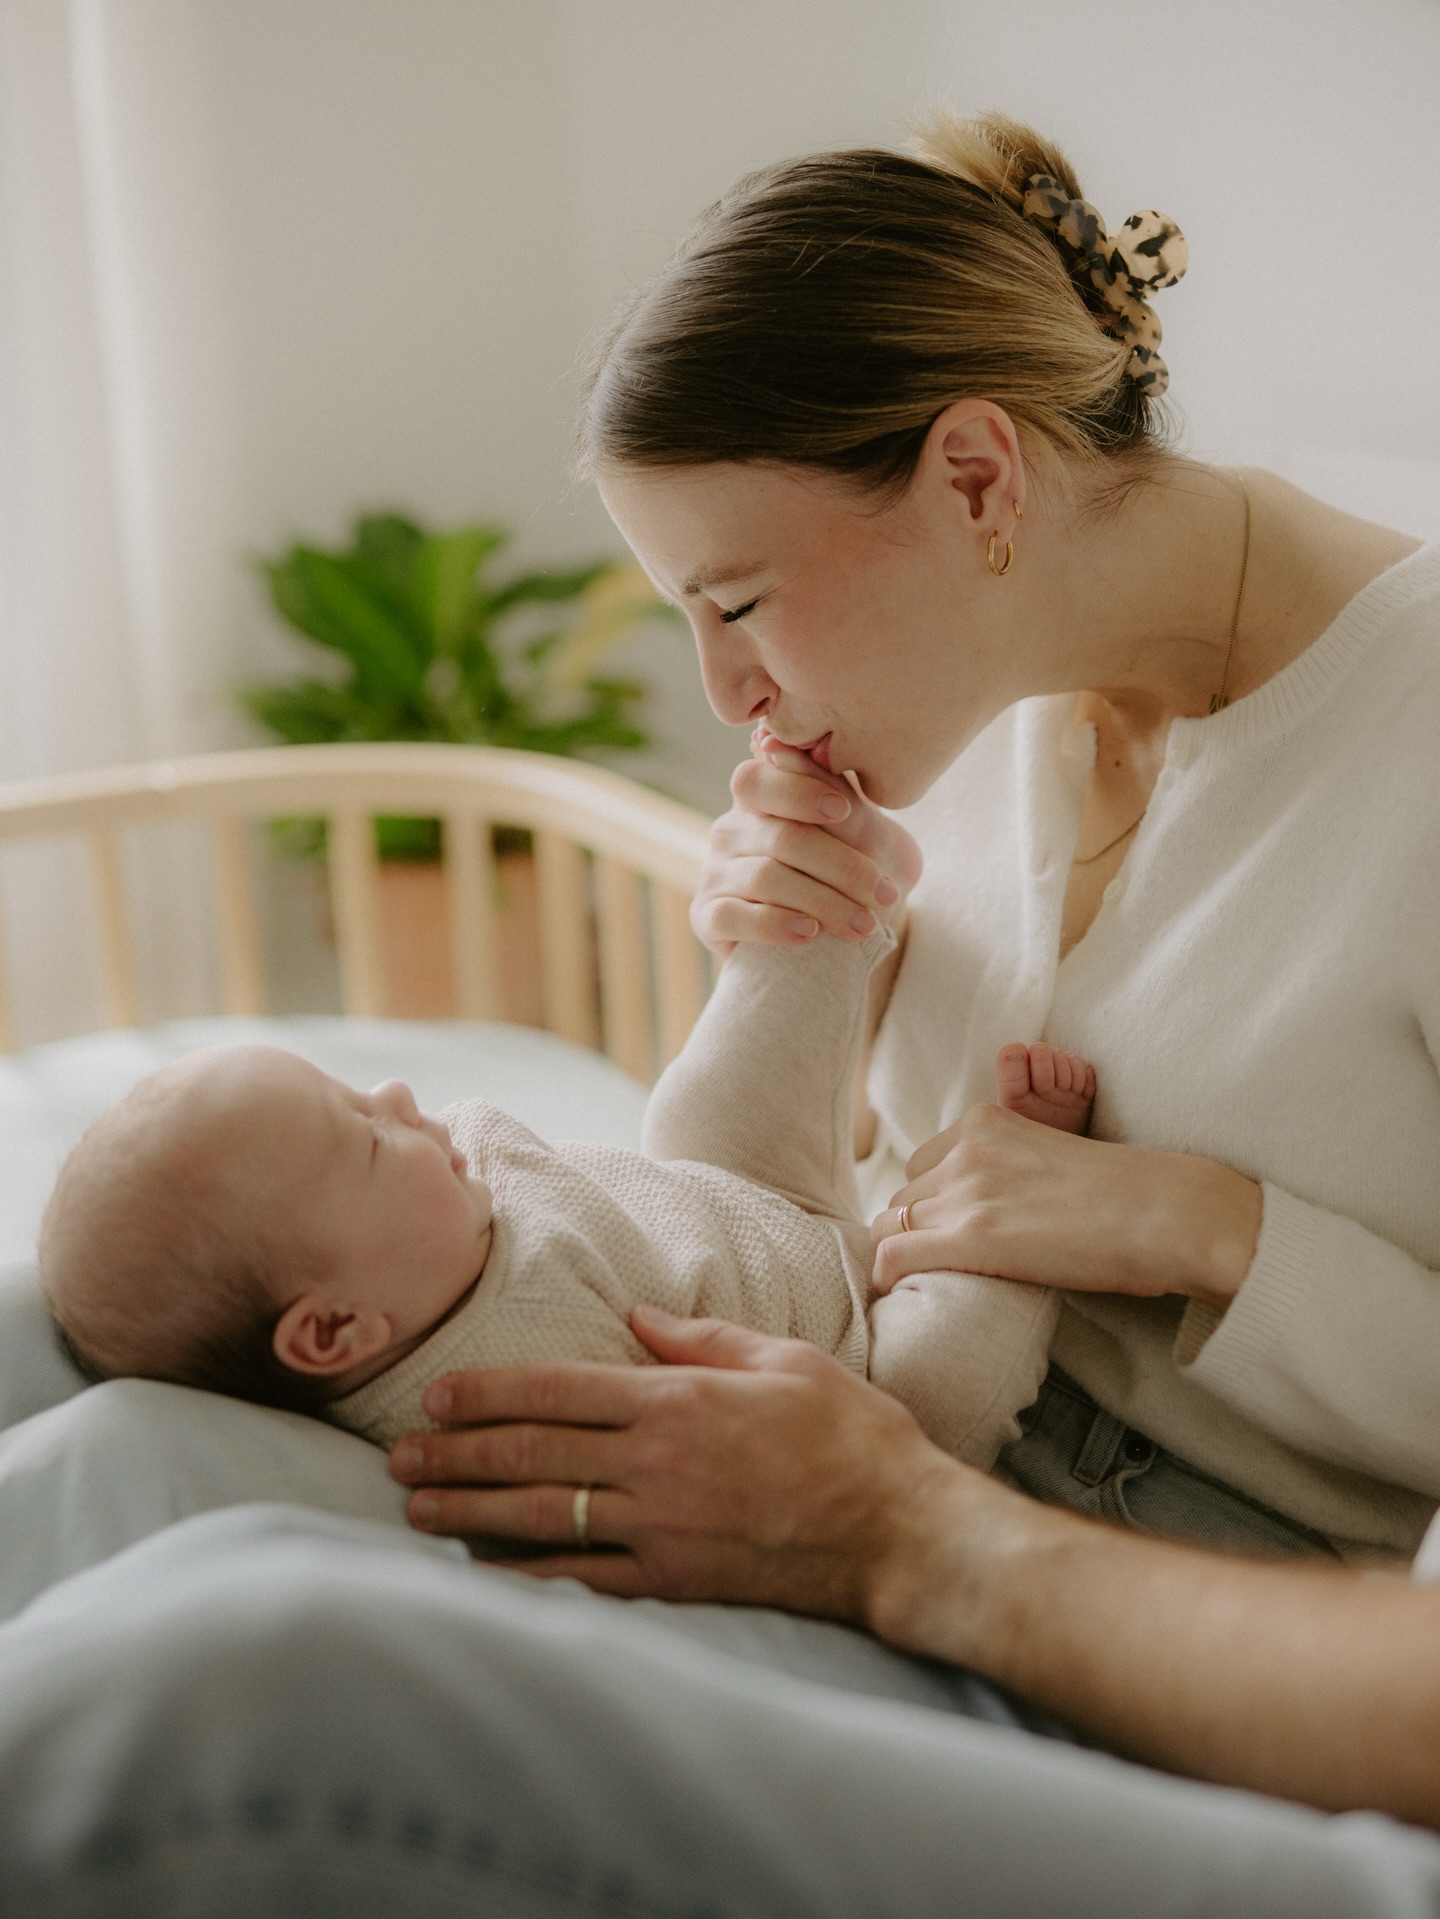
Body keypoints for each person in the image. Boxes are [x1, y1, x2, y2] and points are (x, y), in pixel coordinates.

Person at [38, 859, 1095, 1464]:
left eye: (359, 1086)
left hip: (750, 1199)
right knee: (945, 1386)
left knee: (696, 1104)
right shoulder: (491, 1402)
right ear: (333, 1330)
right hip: (859, 1353)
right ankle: (1024, 1174)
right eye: (365, 1134)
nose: (401, 1095)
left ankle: (827, 900)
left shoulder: (430, 1214)